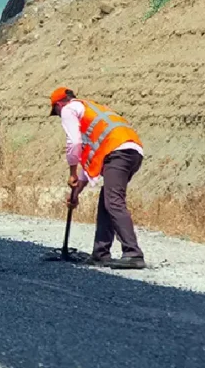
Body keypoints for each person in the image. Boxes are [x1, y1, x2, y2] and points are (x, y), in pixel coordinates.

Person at [50, 87, 146, 269]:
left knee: (114, 201)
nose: (59, 116)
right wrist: (76, 193)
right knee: (107, 201)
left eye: (56, 112)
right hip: (132, 151)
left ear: (59, 104)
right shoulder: (92, 110)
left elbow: (74, 142)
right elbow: (91, 164)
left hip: (118, 152)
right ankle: (100, 253)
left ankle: (133, 253)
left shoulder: (69, 109)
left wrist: (71, 172)